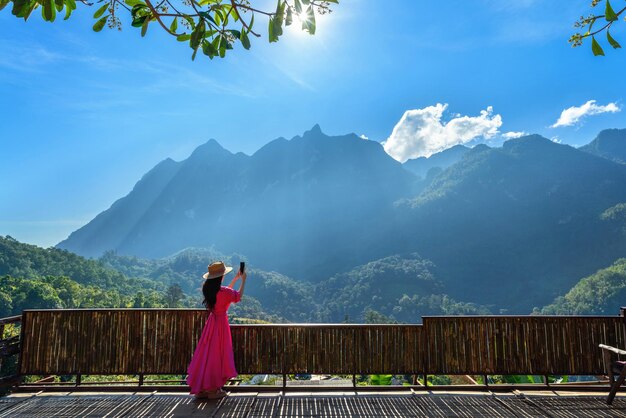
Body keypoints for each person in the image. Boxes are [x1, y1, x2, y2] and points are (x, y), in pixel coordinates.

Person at [187, 261, 247, 399]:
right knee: (217, 355)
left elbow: (225, 294)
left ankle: (202, 388)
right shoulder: (224, 292)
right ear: (221, 276)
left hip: (211, 325)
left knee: (207, 354)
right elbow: (237, 296)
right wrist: (243, 280)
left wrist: (235, 279)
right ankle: (213, 390)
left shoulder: (209, 290)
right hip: (221, 326)